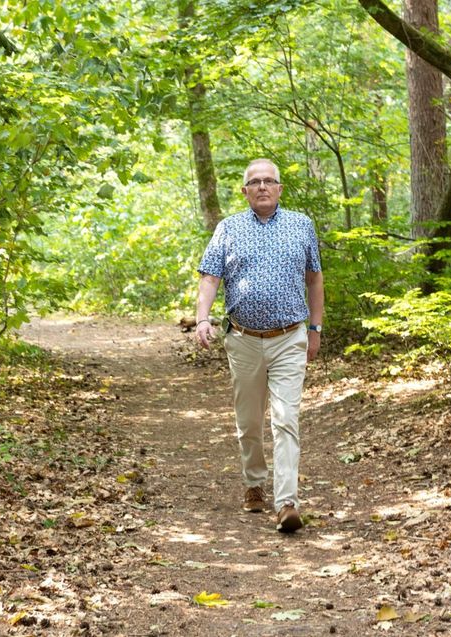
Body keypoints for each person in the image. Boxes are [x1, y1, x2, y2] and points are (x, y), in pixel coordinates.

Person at [194, 158, 324, 533]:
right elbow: (209, 278)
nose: (263, 187)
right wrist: (203, 317)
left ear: (280, 189)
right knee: (249, 421)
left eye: (270, 181)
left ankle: (287, 502)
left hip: (289, 337)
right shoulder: (228, 229)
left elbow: (315, 280)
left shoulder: (302, 226)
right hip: (244, 340)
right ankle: (254, 481)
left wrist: (315, 328)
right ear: (245, 190)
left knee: (286, 420)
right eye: (255, 182)